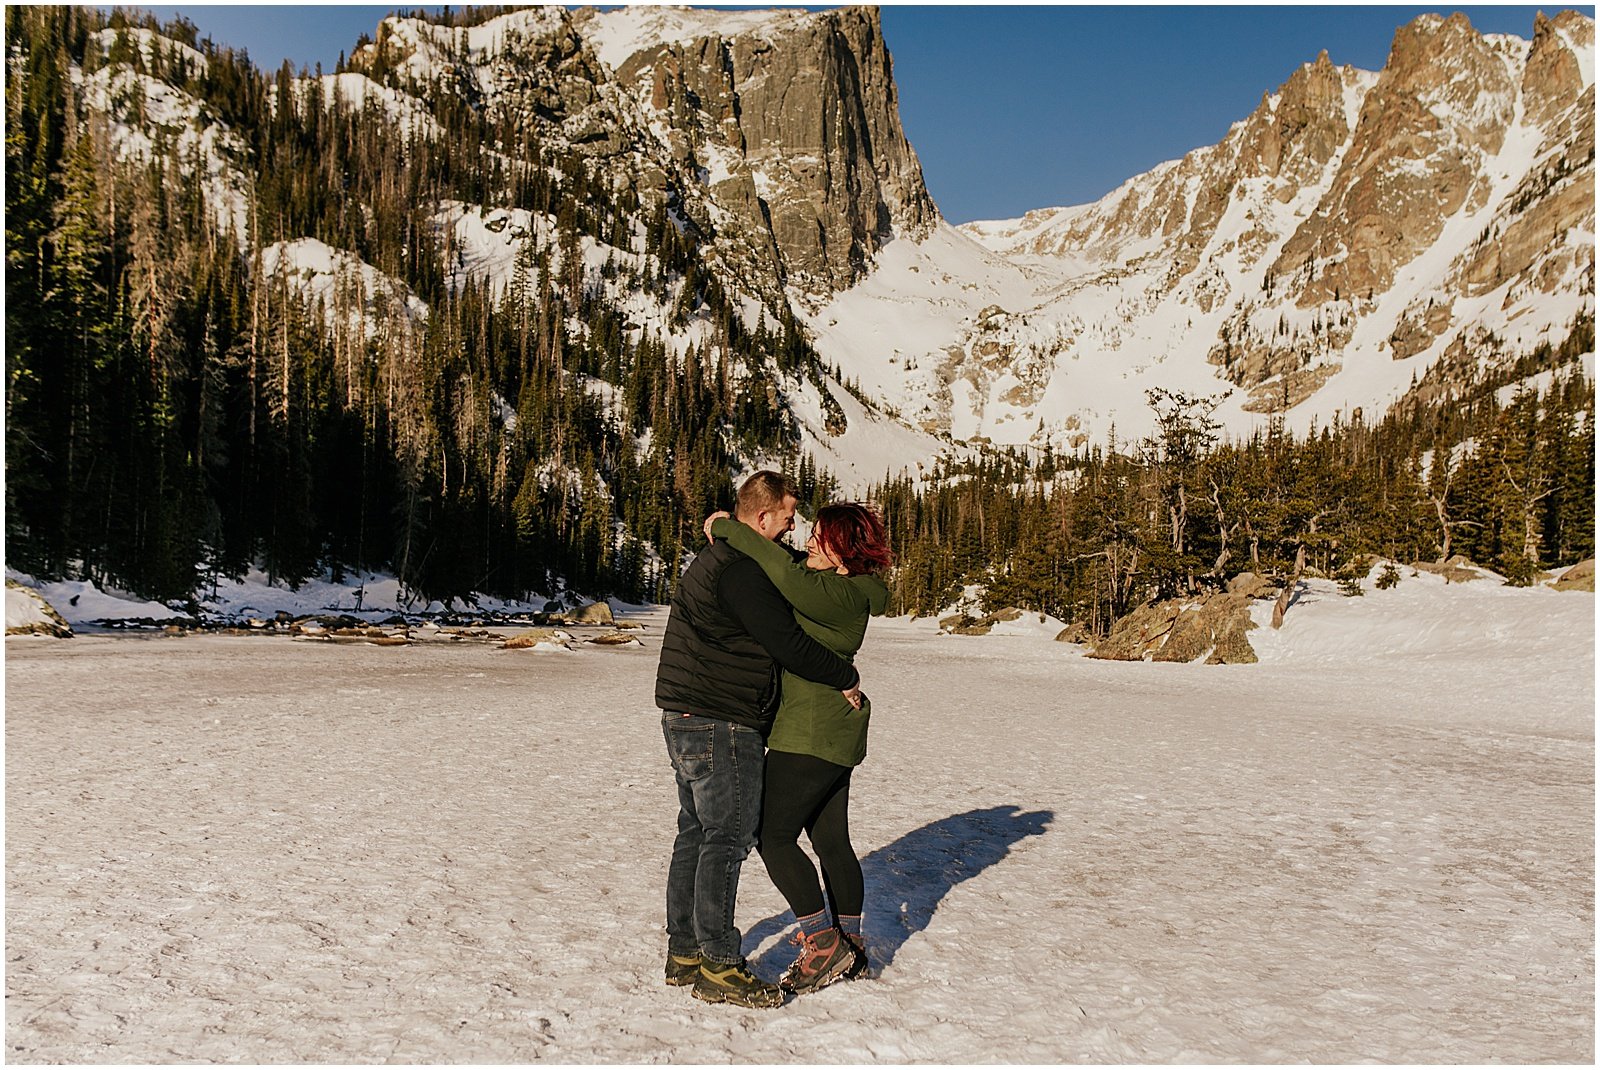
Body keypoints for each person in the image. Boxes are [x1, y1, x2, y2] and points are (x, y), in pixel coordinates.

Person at [655, 471, 863, 1009]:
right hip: (721, 720)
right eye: (789, 517)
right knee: (726, 839)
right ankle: (720, 965)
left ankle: (685, 952)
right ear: (764, 516)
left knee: (696, 833)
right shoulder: (741, 572)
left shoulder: (724, 559)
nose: (794, 527)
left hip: (686, 714)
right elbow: (787, 642)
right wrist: (843, 675)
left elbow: (791, 574)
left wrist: (726, 527)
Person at [705, 501, 892, 995]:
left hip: (810, 731)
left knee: (773, 835)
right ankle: (848, 946)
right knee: (831, 842)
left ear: (846, 557)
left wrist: (726, 527)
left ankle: (822, 942)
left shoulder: (839, 594)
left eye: (823, 538)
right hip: (832, 729)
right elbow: (788, 565)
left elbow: (782, 575)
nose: (810, 540)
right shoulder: (843, 586)